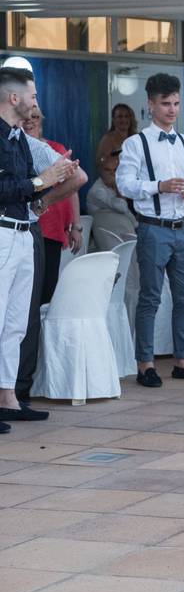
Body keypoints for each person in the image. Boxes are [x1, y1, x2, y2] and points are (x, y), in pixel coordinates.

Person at [116, 72, 184, 388]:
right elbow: (124, 184)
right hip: (152, 228)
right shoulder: (135, 143)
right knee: (150, 298)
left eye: (175, 103)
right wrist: (158, 186)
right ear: (150, 104)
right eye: (165, 103)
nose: (172, 110)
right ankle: (145, 364)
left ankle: (183, 362)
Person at [0, 67, 79, 432]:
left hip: (22, 232)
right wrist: (40, 181)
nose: (36, 102)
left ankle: (8, 397)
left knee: (16, 323)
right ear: (13, 97)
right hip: (1, 232)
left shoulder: (18, 138)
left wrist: (50, 184)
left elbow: (29, 187)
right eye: (31, 95)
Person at [22, 108, 82, 304]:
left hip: (52, 228)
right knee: (25, 291)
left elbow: (73, 188)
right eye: (27, 117)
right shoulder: (15, 149)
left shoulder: (55, 149)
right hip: (25, 227)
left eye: (36, 117)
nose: (30, 121)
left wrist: (76, 226)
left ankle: (41, 334)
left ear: (41, 121)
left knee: (47, 289)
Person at [87, 147, 137, 249]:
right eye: (107, 170)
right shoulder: (97, 191)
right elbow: (122, 208)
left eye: (115, 170)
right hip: (112, 239)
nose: (112, 174)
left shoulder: (112, 186)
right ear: (100, 171)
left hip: (126, 234)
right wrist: (119, 187)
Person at [95, 103, 137, 183]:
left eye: (126, 116)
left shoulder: (136, 138)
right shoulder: (107, 139)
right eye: (120, 116)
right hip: (112, 182)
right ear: (114, 120)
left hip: (133, 180)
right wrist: (107, 158)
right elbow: (100, 163)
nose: (124, 120)